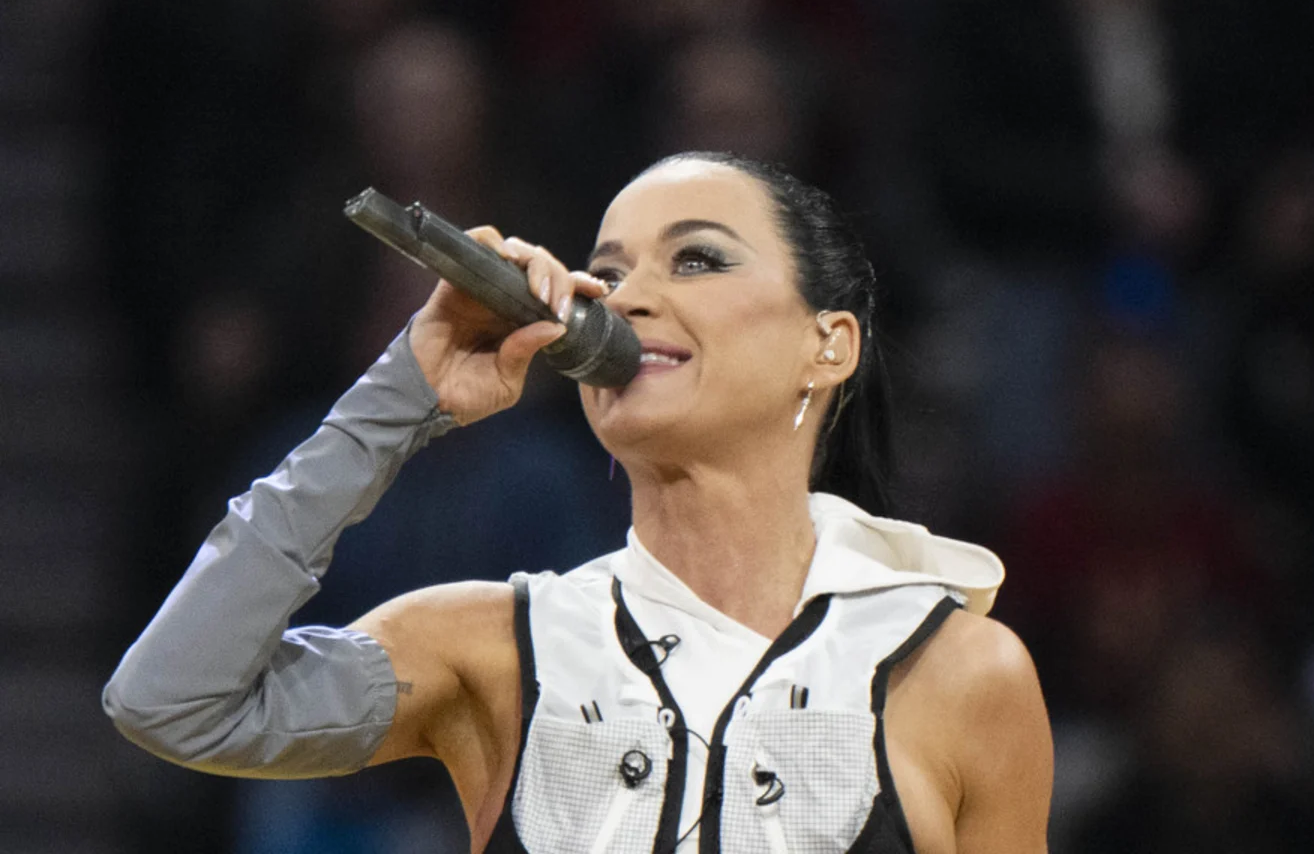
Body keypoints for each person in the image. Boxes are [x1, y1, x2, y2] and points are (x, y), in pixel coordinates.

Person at [103, 152, 1053, 853]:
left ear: (828, 344)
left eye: (696, 261)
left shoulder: (960, 674)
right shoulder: (494, 646)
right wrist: (400, 396)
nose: (625, 294)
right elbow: (171, 702)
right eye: (612, 267)